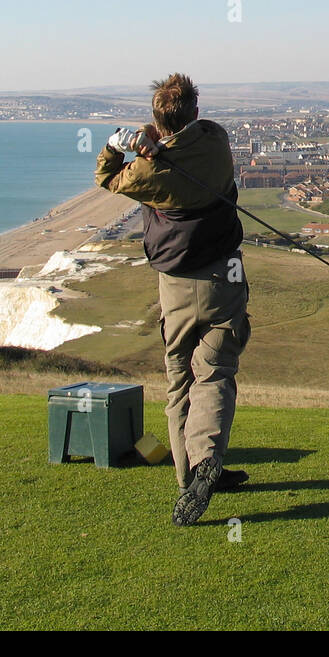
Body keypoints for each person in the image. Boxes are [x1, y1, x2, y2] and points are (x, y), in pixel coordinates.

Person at [94, 72, 250, 525]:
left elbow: (106, 176)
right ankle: (206, 465)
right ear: (195, 112)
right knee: (216, 371)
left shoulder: (146, 172)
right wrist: (161, 142)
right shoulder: (217, 142)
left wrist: (119, 143)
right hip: (224, 275)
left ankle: (190, 480)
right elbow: (200, 134)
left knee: (179, 378)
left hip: (175, 285)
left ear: (155, 121)